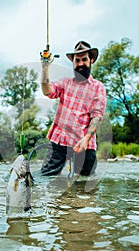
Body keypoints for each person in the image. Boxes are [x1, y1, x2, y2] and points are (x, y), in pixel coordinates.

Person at [40, 40, 107, 176]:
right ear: (73, 62)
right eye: (77, 60)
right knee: (45, 178)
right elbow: (47, 91)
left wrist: (86, 139)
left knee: (85, 185)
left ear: (91, 61)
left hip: (84, 144)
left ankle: (75, 199)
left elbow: (97, 116)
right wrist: (45, 68)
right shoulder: (65, 82)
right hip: (59, 141)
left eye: (84, 60)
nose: (80, 64)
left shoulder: (98, 87)